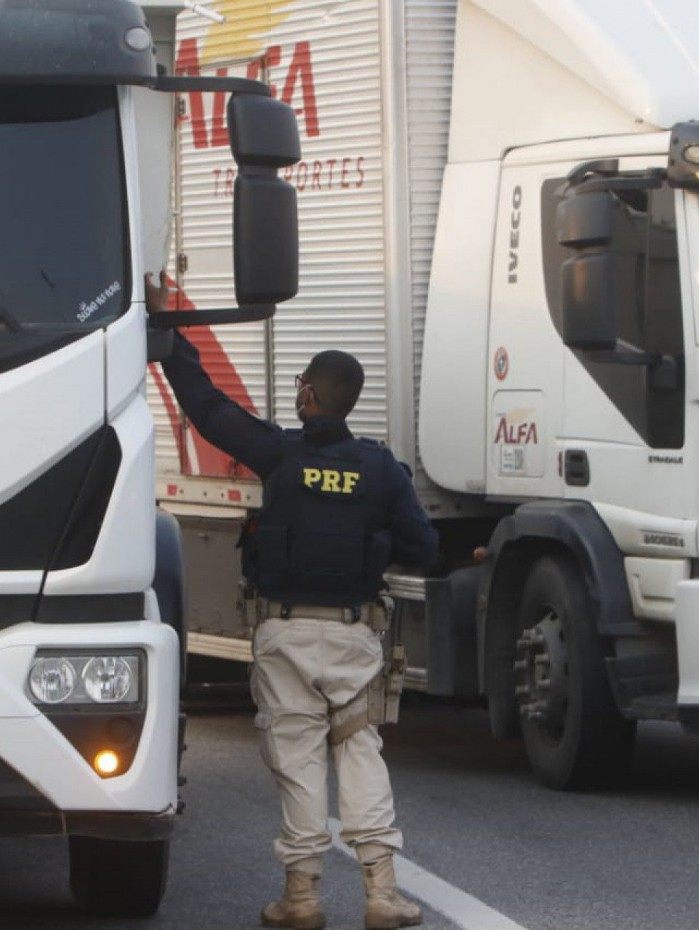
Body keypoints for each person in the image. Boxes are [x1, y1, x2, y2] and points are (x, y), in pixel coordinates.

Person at [147, 273, 439, 930]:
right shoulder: (381, 470)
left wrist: (168, 331)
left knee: (299, 759)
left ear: (308, 394)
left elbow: (206, 407)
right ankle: (381, 893)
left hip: (283, 635)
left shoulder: (276, 453)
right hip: (354, 636)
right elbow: (423, 548)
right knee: (359, 751)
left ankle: (302, 899)